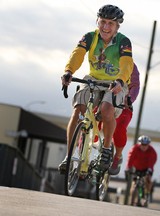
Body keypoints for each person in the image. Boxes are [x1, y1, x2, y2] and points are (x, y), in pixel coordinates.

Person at [58, 4, 134, 174]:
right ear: (97, 21)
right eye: (103, 22)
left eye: (110, 24)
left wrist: (121, 81)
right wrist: (68, 71)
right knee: (78, 109)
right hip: (93, 79)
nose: (105, 27)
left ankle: (106, 149)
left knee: (107, 110)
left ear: (117, 26)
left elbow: (126, 64)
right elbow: (77, 53)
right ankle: (69, 155)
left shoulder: (123, 41)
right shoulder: (90, 37)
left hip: (115, 82)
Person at [109, 63, 140, 175]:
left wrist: (129, 99)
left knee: (119, 128)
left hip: (123, 105)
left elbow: (135, 85)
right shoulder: (107, 58)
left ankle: (117, 156)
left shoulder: (130, 65)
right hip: (105, 98)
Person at [125, 135, 157, 206]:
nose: (144, 146)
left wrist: (149, 170)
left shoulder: (152, 151)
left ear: (148, 145)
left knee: (148, 180)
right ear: (139, 144)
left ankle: (147, 194)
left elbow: (151, 162)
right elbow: (130, 159)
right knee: (134, 183)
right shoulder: (134, 149)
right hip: (136, 168)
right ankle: (132, 201)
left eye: (146, 145)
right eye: (142, 144)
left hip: (147, 168)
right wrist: (128, 168)